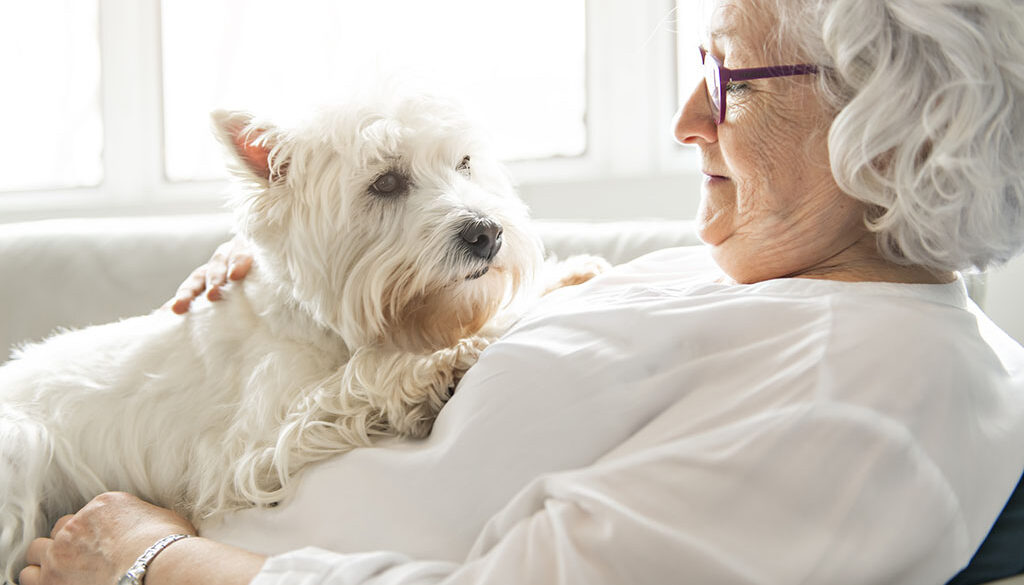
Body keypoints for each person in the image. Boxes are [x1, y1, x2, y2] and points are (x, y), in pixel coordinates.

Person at [18, 0, 1024, 583]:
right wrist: (280, 278)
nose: (683, 121)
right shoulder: (779, 277)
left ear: (893, 132)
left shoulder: (875, 397)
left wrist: (151, 562)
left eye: (730, 83)